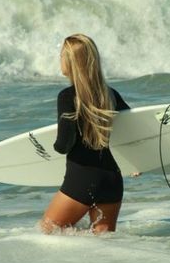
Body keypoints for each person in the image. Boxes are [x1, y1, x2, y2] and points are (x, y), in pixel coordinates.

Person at [40, 34, 130, 234]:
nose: (59, 59)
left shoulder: (67, 97)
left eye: (62, 55)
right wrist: (136, 163)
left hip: (82, 179)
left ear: (71, 61)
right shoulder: (111, 94)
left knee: (46, 234)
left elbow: (64, 145)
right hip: (112, 181)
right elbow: (131, 130)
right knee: (102, 245)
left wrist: (48, 146)